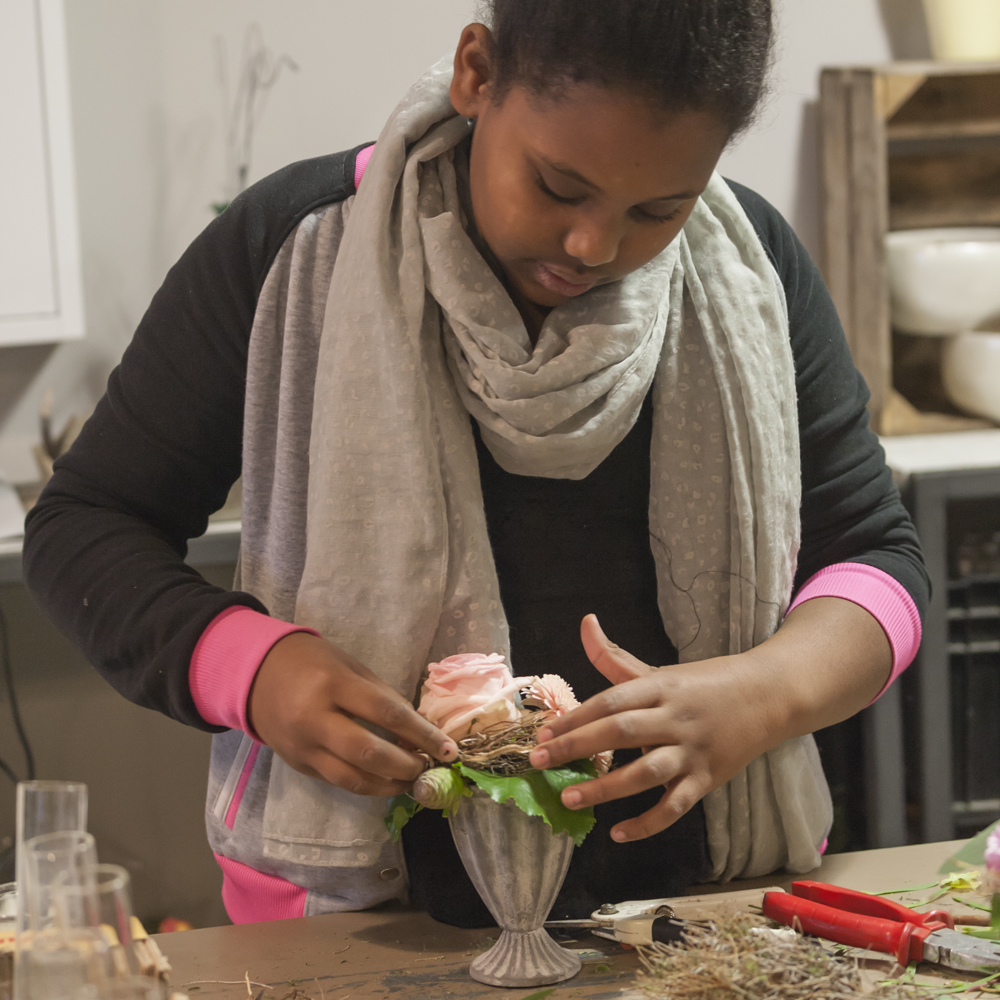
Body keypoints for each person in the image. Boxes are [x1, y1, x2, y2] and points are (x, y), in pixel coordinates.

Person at [23, 0, 927, 928]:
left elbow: (879, 562)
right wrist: (256, 671)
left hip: (701, 907)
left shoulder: (751, 271)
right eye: (557, 185)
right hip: (366, 924)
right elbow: (87, 526)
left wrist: (767, 694)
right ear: (477, 74)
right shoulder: (292, 250)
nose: (594, 246)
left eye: (659, 208)